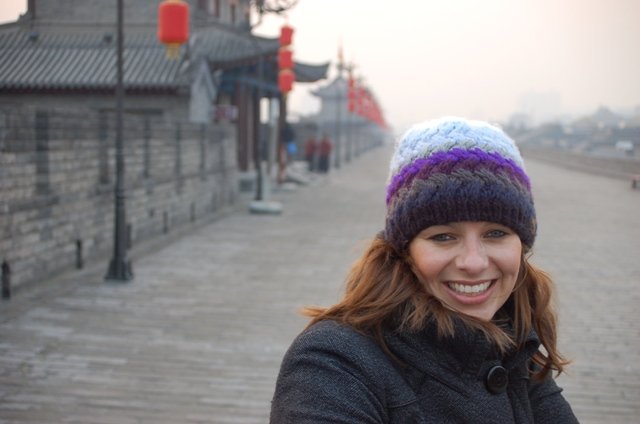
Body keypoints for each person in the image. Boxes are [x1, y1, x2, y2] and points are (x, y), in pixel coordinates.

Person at [270, 117, 578, 423]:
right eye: (443, 237)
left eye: (495, 233)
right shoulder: (334, 365)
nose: (473, 262)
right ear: (405, 250)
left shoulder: (515, 349)